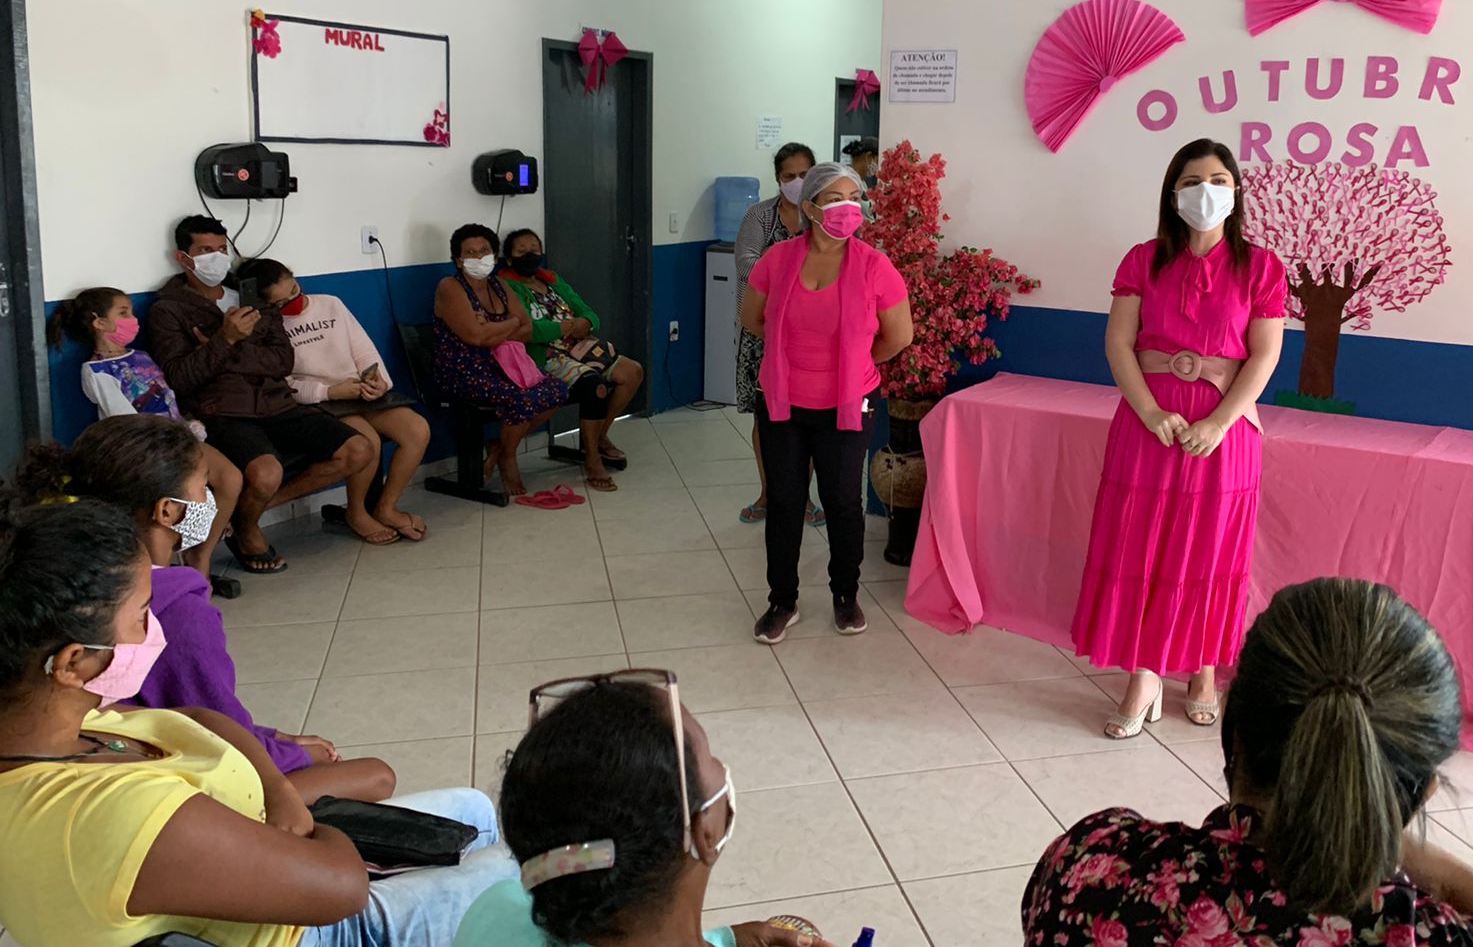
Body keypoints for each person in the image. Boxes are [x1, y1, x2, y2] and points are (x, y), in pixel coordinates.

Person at [0, 496, 519, 947]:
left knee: (474, 809)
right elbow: (343, 889)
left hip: (274, 833)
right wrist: (308, 824)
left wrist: (279, 792)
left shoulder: (67, 722)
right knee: (529, 868)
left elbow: (193, 718)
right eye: (140, 615)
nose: (154, 627)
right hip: (318, 927)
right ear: (72, 661)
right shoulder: (104, 814)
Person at [1023, 578, 1473, 943]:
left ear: (1231, 726)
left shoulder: (1091, 867)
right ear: (1424, 790)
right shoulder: (1443, 935)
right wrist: (1430, 864)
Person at [11, 413, 397, 803]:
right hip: (173, 774)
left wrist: (271, 736)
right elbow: (213, 732)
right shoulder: (179, 610)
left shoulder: (65, 575)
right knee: (376, 776)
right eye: (203, 488)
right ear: (167, 511)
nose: (210, 499)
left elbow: (182, 710)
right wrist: (292, 753)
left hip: (126, 740)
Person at [1069, 139, 1287, 739]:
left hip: (1226, 433)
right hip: (1148, 426)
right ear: (1173, 193)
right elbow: (1119, 343)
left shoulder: (1263, 268)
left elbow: (1264, 356)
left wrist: (1218, 423)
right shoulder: (1142, 260)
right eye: (1192, 181)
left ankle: (1204, 670)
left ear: (1237, 190)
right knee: (1139, 548)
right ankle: (1143, 676)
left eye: (1219, 179)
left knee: (1212, 553)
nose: (1206, 191)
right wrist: (1146, 410)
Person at [455, 670, 833, 947]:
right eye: (711, 758)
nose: (722, 769)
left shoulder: (496, 909)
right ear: (704, 833)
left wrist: (726, 940)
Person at [739, 161, 913, 643]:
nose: (846, 209)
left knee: (841, 501)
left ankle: (845, 596)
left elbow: (899, 336)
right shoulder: (776, 260)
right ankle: (782, 601)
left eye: (853, 199)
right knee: (786, 501)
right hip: (782, 402)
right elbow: (752, 318)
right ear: (810, 206)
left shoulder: (876, 266)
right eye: (834, 199)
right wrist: (793, 358)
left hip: (848, 403)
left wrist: (852, 364)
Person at [147, 215, 374, 574]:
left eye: (222, 249)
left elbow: (282, 360)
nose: (217, 258)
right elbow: (179, 377)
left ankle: (246, 519)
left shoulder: (250, 298)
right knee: (266, 472)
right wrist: (228, 339)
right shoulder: (168, 310)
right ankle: (246, 532)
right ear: (183, 258)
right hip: (222, 411)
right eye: (205, 251)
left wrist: (224, 352)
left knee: (358, 449)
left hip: (278, 403)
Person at [48, 284, 241, 577]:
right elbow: (125, 420)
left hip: (179, 438)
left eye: (131, 311)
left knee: (230, 478)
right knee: (162, 510)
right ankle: (161, 577)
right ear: (99, 323)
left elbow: (167, 397)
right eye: (123, 312)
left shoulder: (140, 356)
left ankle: (200, 554)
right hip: (148, 451)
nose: (132, 319)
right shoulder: (96, 370)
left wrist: (187, 427)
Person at [238, 257, 432, 543]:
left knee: (417, 430)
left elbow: (364, 350)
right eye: (282, 302)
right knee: (368, 442)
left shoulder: (331, 303)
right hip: (320, 401)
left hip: (360, 392)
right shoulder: (264, 329)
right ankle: (356, 513)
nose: (295, 301)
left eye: (295, 289)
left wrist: (379, 382)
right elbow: (283, 384)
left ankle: (386, 507)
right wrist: (330, 392)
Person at [498, 229, 644, 493]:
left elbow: (588, 312)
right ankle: (592, 459)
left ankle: (599, 436)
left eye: (534, 249)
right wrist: (565, 327)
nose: (530, 254)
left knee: (632, 372)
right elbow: (527, 330)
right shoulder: (506, 286)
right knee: (594, 385)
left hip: (580, 347)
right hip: (546, 356)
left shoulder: (552, 280)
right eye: (521, 251)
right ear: (509, 258)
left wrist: (586, 322)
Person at [434, 224, 568, 497]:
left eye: (484, 251)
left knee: (557, 390)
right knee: (522, 399)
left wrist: (494, 328)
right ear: (458, 260)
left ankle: (500, 450)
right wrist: (510, 324)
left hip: (504, 367)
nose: (478, 257)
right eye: (470, 253)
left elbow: (527, 329)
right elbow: (475, 337)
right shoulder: (450, 287)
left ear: (494, 255)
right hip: (464, 372)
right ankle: (508, 459)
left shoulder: (500, 285)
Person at [733, 143, 826, 528]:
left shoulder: (824, 218)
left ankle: (801, 498)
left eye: (804, 174)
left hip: (810, 336)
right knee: (766, 418)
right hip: (763, 333)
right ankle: (769, 493)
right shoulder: (760, 216)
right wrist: (794, 280)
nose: (797, 182)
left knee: (807, 417)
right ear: (778, 179)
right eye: (789, 176)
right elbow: (746, 264)